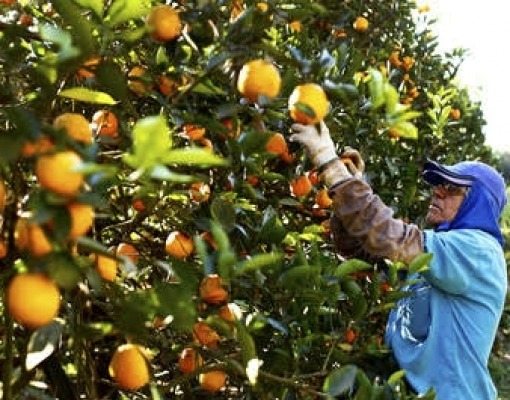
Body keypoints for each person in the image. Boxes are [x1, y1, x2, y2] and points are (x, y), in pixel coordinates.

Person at [290, 121, 508, 400]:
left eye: (453, 189)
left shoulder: (476, 251)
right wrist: (354, 183)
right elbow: (364, 248)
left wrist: (329, 162)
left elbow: (386, 235)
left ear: (478, 203)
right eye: (438, 185)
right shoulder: (440, 251)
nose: (437, 192)